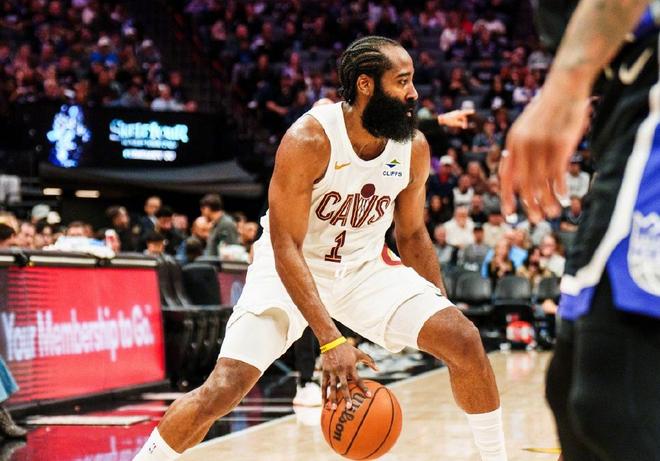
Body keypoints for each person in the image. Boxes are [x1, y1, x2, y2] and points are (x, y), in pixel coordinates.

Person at [133, 35, 506, 461]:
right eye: (402, 81)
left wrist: (437, 305)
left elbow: (413, 234)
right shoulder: (309, 139)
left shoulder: (412, 147)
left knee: (463, 339)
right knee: (224, 388)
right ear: (366, 85)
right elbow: (285, 244)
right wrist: (330, 341)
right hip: (290, 267)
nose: (414, 93)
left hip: (363, 269)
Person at [501, 2, 660, 460]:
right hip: (623, 109)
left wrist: (566, 83)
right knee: (570, 389)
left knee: (612, 402)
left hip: (649, 94)